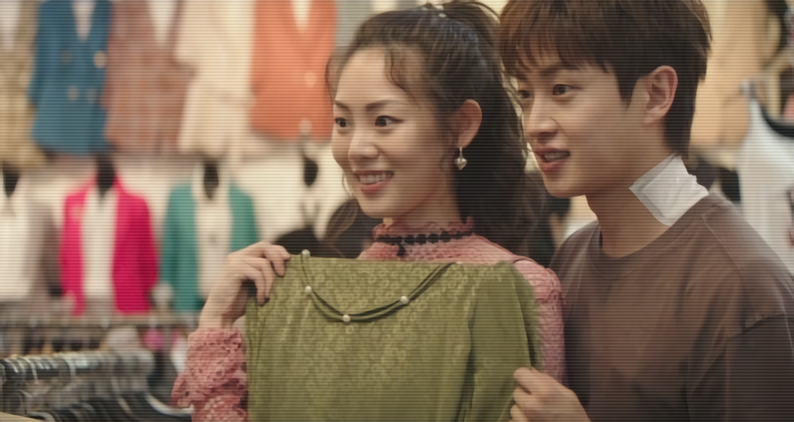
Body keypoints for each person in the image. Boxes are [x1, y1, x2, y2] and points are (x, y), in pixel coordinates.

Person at [171, 2, 566, 421]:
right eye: (342, 122)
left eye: (383, 120)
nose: (356, 148)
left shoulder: (523, 289)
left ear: (460, 126)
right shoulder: (313, 294)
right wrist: (216, 321)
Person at [496, 1, 794, 421]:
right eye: (526, 94)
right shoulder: (573, 256)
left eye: (561, 89)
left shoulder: (740, 286)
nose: (535, 124)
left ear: (655, 95)